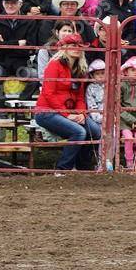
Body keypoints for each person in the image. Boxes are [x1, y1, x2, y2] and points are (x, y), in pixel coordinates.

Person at [34, 33, 100, 171]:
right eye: (72, 45)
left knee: (95, 131)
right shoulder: (54, 65)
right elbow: (48, 93)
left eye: (79, 46)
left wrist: (81, 113)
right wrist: (67, 115)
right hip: (47, 111)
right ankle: (63, 169)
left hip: (70, 111)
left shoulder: (80, 69)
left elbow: (80, 97)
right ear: (64, 47)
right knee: (79, 132)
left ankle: (83, 167)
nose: (76, 48)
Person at [0, 0, 35, 97]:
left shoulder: (29, 22)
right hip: (1, 63)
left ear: (20, 4)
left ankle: (22, 103)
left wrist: (4, 43)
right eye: (7, 2)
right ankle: (1, 106)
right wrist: (18, 44)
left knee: (35, 76)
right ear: (2, 3)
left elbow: (30, 49)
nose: (10, 6)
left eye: (13, 3)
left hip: (21, 63)